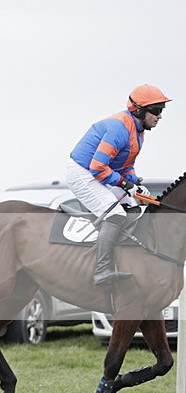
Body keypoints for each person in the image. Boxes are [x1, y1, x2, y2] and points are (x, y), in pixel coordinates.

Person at [67, 84, 170, 285]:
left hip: (97, 171)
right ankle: (101, 270)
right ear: (138, 110)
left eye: (161, 111)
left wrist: (134, 182)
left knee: (134, 207)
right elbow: (97, 167)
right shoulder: (119, 129)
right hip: (82, 172)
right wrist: (125, 184)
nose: (159, 116)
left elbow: (125, 166)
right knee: (115, 214)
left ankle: (118, 253)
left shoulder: (139, 131)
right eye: (156, 110)